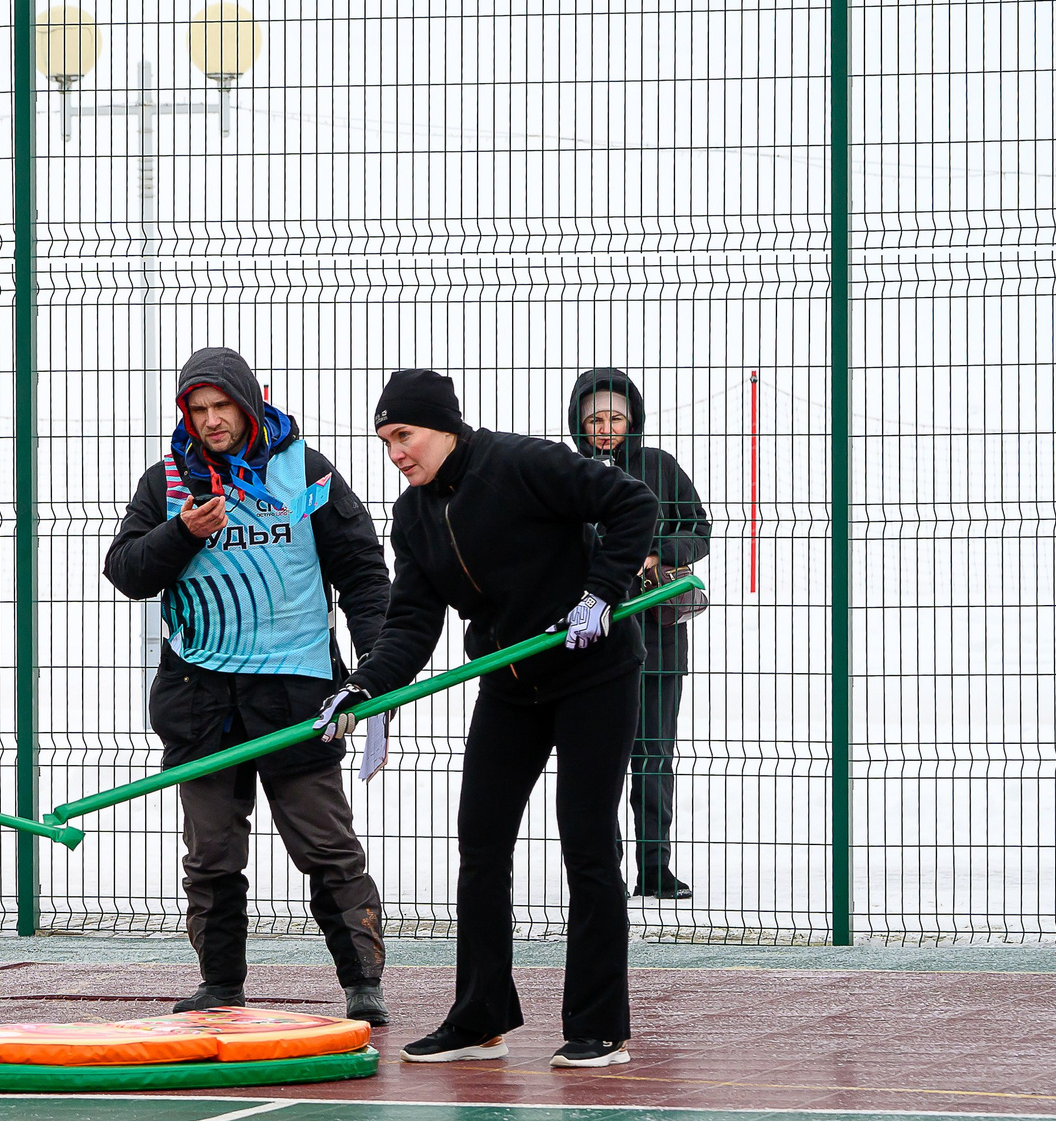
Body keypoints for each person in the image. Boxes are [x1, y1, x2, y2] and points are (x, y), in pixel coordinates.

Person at [323, 368, 659, 1068]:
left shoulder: (521, 463)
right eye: (385, 441)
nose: (396, 453)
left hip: (593, 668)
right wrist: (365, 685)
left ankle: (600, 1024)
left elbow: (632, 502)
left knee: (588, 839)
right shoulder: (412, 515)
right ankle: (481, 1015)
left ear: (444, 425)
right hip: (511, 680)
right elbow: (413, 622)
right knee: (480, 841)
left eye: (404, 436)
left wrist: (602, 592)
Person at [105, 347, 393, 1025]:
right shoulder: (167, 483)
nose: (210, 422)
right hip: (200, 699)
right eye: (196, 410)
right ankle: (221, 983)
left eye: (221, 407)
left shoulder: (307, 471)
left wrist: (373, 664)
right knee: (211, 854)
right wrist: (180, 533)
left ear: (248, 402)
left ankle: (363, 983)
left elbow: (362, 571)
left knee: (327, 847)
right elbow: (126, 571)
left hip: (297, 695)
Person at [568, 367, 712, 900]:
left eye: (615, 419)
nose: (605, 429)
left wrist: (657, 554)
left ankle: (655, 868)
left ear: (633, 421)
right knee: (598, 760)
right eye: (595, 420)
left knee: (653, 754)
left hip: (658, 637)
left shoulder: (659, 468)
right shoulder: (567, 474)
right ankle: (603, 873)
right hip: (593, 640)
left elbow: (697, 529)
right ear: (579, 424)